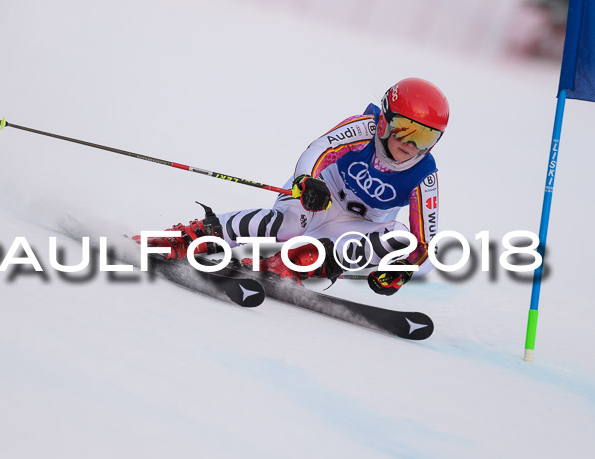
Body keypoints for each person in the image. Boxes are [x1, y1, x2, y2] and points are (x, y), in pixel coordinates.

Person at [137, 77, 448, 296]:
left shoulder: (424, 176)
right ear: (384, 121)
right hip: (319, 198)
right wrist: (307, 181)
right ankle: (191, 237)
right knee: (286, 223)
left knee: (398, 238)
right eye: (404, 129)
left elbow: (425, 248)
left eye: (425, 138)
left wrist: (402, 272)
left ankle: (287, 265)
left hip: (355, 227)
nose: (411, 144)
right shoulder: (364, 128)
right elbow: (318, 149)